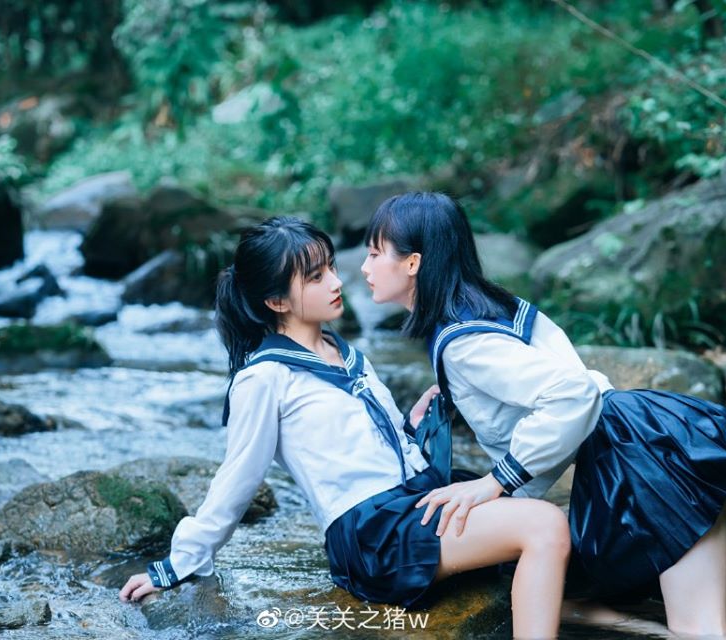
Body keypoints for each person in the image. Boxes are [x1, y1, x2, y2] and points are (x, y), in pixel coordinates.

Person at [119, 216, 571, 639]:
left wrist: (411, 428)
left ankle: (588, 615)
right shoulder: (264, 378)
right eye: (315, 277)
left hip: (409, 502)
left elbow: (367, 445)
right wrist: (178, 564)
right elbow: (238, 477)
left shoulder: (344, 352)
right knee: (543, 525)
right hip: (373, 536)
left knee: (534, 510)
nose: (337, 282)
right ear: (277, 302)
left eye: (331, 267)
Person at [360, 192, 726, 638]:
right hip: (659, 442)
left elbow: (572, 395)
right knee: (614, 606)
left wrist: (495, 482)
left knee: (703, 633)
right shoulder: (487, 307)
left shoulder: (463, 344)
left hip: (648, 463)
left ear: (413, 263)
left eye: (374, 254)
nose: (365, 268)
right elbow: (557, 393)